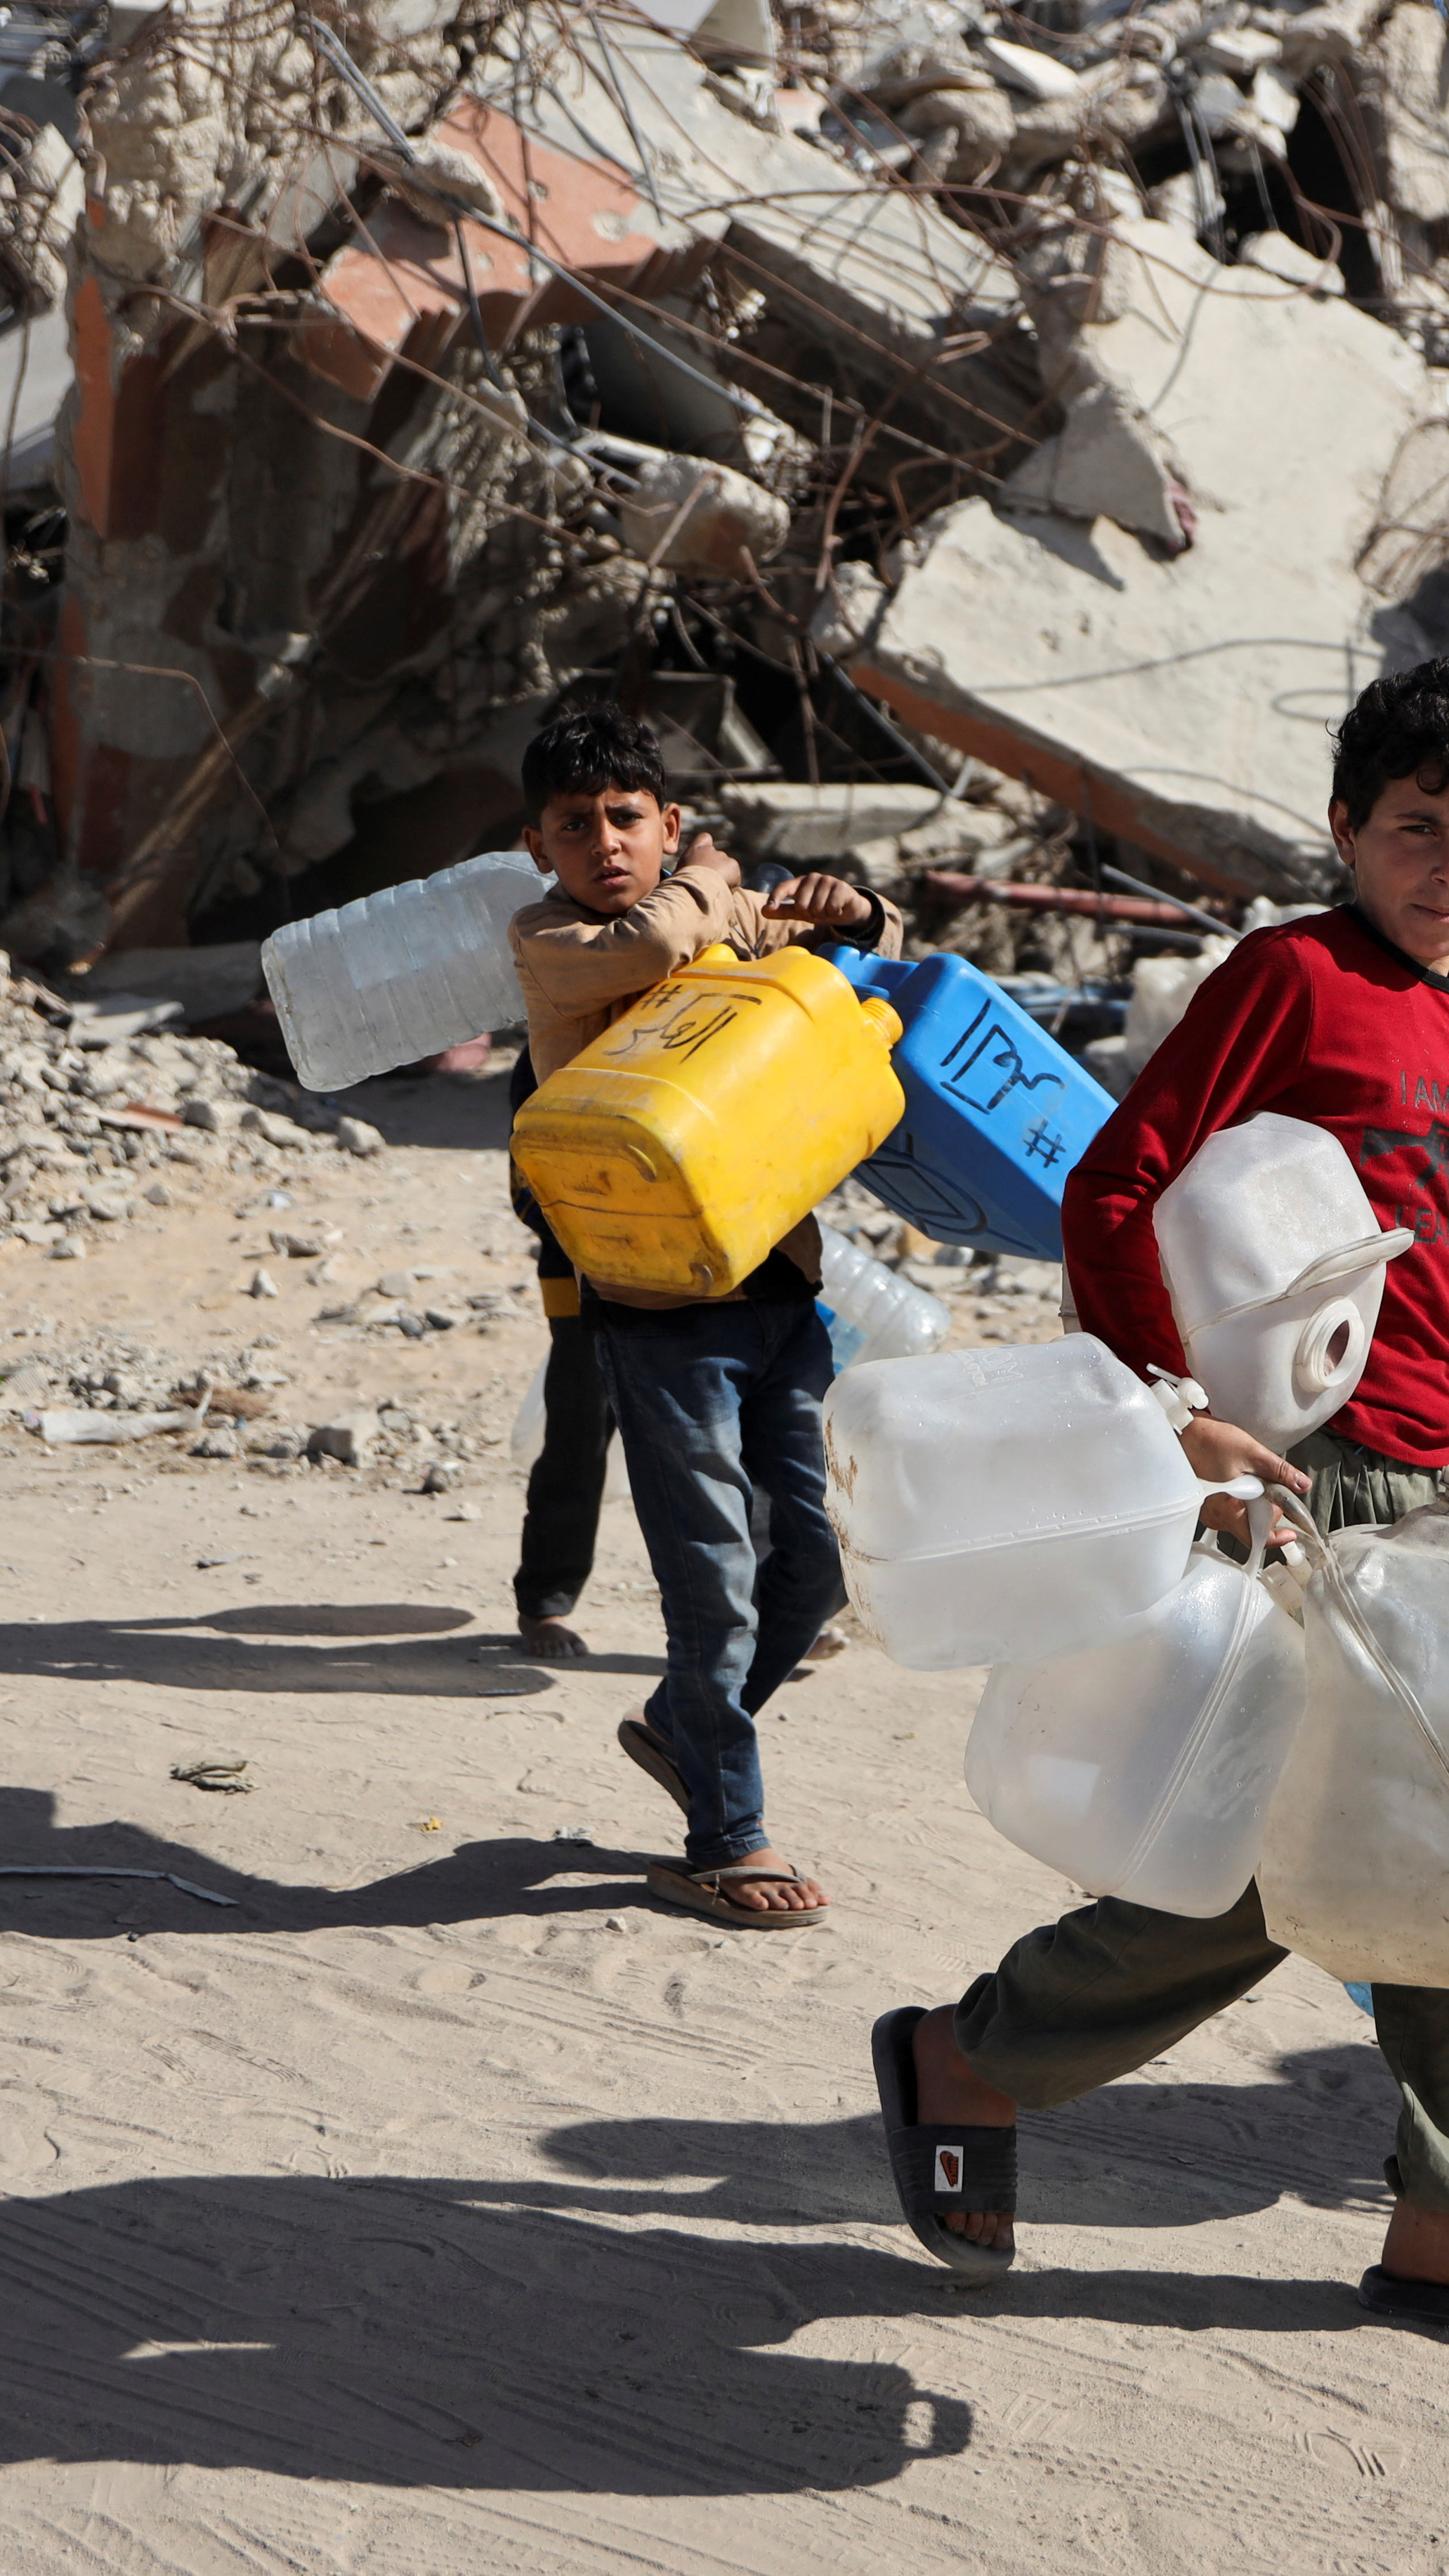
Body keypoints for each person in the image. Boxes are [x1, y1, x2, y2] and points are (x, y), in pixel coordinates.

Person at [867, 656, 1449, 2359]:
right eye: (1417, 829)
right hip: (1303, 1480)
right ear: (1345, 829)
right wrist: (1177, 1409)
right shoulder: (1290, 973)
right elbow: (1115, 1182)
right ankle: (965, 2057)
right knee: (1242, 1865)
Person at [506, 707, 900, 1928]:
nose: (606, 843)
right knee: (713, 1583)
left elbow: (857, 974)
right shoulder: (554, 941)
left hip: (781, 1288)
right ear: (541, 850)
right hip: (658, 1311)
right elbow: (654, 939)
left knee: (820, 1568)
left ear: (665, 823)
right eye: (577, 826)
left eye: (629, 819)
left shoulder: (703, 908)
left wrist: (852, 914)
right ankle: (724, 1834)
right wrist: (718, 884)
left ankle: (684, 1725)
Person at [502, 1050, 612, 1661]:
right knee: (579, 1433)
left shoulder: (697, 1026)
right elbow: (527, 1185)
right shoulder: (553, 1046)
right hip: (580, 1280)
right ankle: (546, 1599)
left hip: (693, 1278)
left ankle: (771, 1609)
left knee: (730, 1439)